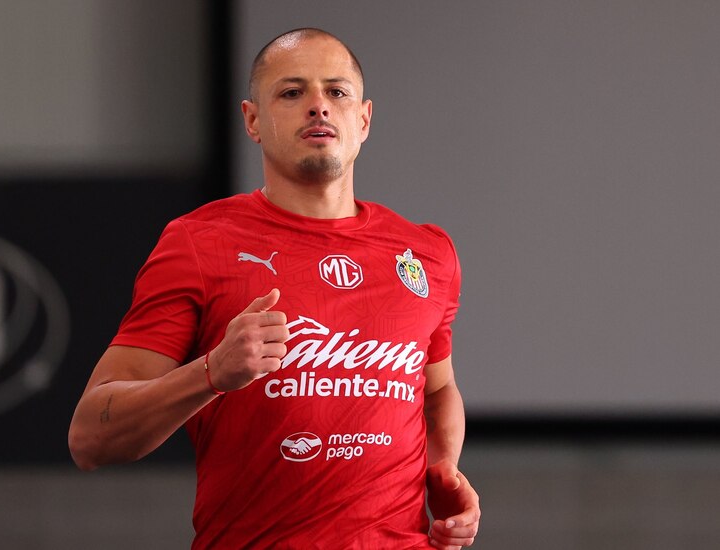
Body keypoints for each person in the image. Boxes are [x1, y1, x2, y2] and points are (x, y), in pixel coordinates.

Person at [69, 27, 480, 549]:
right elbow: (90, 438)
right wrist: (211, 372)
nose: (318, 106)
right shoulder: (198, 243)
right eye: (291, 92)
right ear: (253, 120)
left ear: (363, 119)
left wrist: (443, 470)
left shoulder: (426, 253)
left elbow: (437, 390)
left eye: (336, 91)